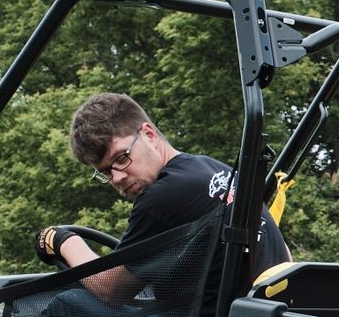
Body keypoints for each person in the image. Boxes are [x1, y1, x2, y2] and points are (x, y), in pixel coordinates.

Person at [36, 92, 290, 303]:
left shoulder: (161, 197)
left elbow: (111, 290)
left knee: (66, 306)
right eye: (105, 172)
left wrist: (62, 240)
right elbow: (284, 254)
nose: (117, 178)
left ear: (148, 134)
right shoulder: (215, 169)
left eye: (121, 159)